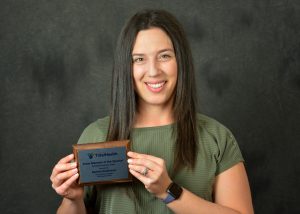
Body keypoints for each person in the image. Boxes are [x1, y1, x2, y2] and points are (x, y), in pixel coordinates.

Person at [50, 9, 254, 214]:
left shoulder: (216, 137)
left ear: (180, 61)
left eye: (164, 56)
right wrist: (72, 200)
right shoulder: (96, 136)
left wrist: (168, 191)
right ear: (125, 67)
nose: (154, 71)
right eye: (139, 59)